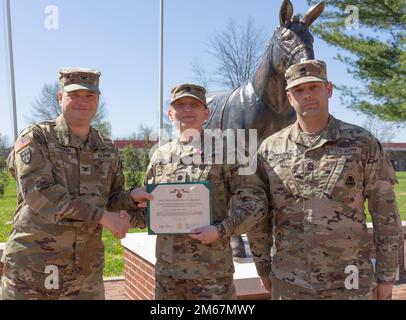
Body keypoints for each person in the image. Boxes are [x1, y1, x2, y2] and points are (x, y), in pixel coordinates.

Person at [248, 60, 402, 300]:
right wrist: (262, 266)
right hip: (291, 282)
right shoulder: (270, 149)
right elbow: (259, 217)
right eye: (299, 90)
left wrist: (385, 276)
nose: (307, 95)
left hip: (350, 281)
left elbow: (386, 215)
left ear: (328, 90)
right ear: (289, 97)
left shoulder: (362, 143)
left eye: (314, 87)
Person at [1, 67, 150, 300]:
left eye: (90, 96)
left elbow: (111, 198)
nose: (83, 101)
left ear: (98, 100)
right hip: (32, 271)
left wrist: (131, 198)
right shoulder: (37, 137)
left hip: (85, 274)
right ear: (60, 97)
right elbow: (40, 193)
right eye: (74, 95)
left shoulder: (106, 147)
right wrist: (102, 217)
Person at [145, 83, 268, 300]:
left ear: (206, 113)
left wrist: (221, 230)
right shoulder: (160, 156)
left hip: (212, 276)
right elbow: (147, 209)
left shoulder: (227, 152)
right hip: (168, 277)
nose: (187, 110)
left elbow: (255, 203)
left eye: (194, 105)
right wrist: (132, 204)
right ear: (170, 113)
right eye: (180, 105)